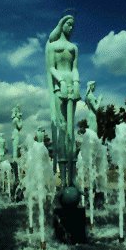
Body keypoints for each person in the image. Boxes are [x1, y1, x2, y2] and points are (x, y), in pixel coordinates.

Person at [45, 15, 80, 186]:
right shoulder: (53, 46)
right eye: (68, 24)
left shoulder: (74, 47)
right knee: (62, 128)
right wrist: (62, 81)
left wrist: (76, 82)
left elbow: (75, 68)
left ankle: (72, 180)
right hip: (60, 87)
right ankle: (64, 180)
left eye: (73, 25)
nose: (71, 28)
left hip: (72, 86)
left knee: (71, 131)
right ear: (62, 25)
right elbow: (51, 67)